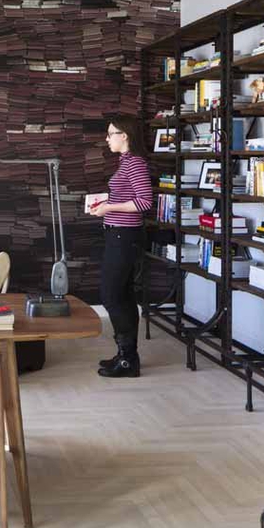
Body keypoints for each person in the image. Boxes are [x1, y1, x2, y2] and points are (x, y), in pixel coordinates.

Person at [89, 116, 154, 377]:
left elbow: (144, 202)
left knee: (112, 295)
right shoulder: (126, 161)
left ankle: (127, 359)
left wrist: (109, 207)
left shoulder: (135, 162)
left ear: (124, 135)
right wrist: (104, 205)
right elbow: (128, 196)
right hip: (118, 235)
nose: (107, 139)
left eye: (111, 134)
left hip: (124, 237)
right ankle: (126, 357)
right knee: (123, 296)